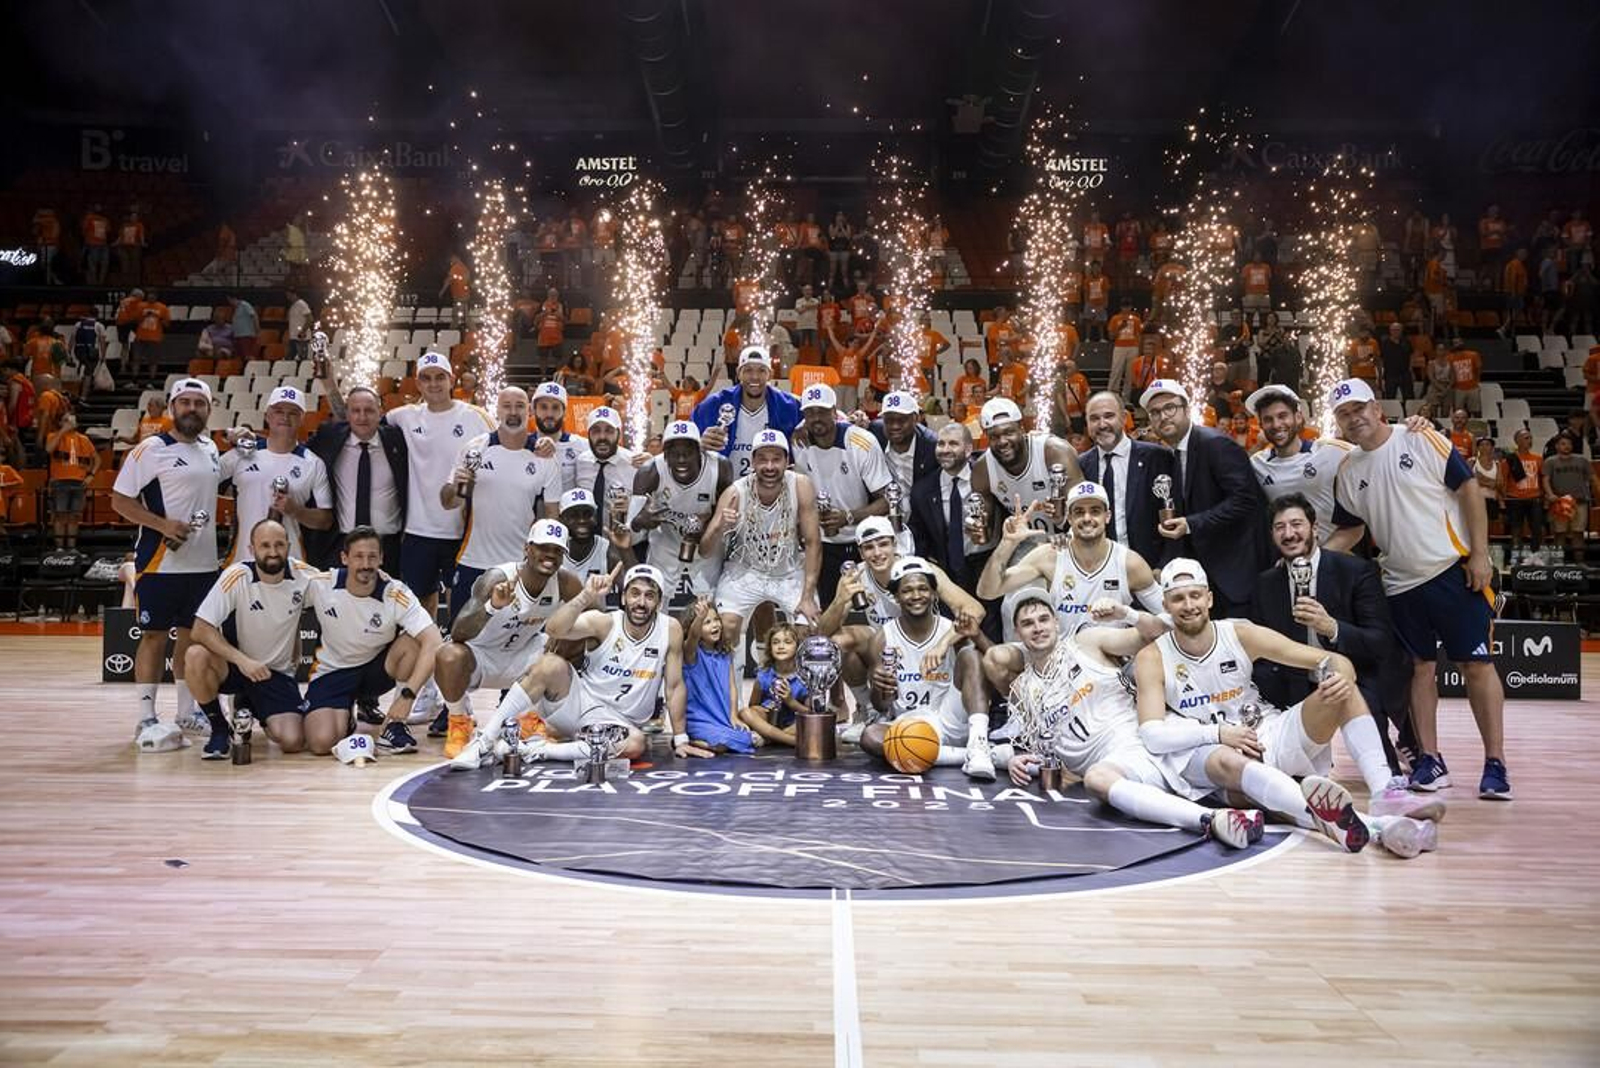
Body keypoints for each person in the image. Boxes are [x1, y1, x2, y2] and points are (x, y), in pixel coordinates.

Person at [1133, 558, 1439, 857]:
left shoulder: (1240, 634)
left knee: (1343, 690)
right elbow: (1152, 735)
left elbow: (1334, 662)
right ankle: (1380, 828)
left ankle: (1384, 792)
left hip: (1266, 733)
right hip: (1214, 753)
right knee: (1238, 775)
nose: (1188, 605)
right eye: (1178, 599)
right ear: (1165, 604)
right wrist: (1219, 733)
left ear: (1209, 598)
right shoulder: (1153, 657)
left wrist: (1338, 677)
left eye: (1195, 595)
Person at [1325, 378, 1510, 800]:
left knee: (1476, 667)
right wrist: (1311, 561)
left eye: (1358, 409)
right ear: (1337, 422)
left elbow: (1469, 489)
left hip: (1453, 571)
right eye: (1344, 414)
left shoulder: (1421, 439)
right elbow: (1351, 530)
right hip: (1399, 583)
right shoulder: (1349, 470)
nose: (1353, 419)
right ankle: (1431, 759)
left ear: (1376, 408)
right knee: (1419, 670)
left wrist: (1481, 555)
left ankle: (1495, 764)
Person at [1001, 589, 1259, 849]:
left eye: (1043, 619)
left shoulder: (1086, 642)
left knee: (1241, 784)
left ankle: (1299, 813)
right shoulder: (1022, 689)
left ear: (1056, 621)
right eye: (1027, 623)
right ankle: (1211, 820)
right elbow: (1039, 749)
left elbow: (1154, 636)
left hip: (1152, 736)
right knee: (1099, 779)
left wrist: (1126, 613)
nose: (1037, 628)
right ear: (1016, 633)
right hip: (1118, 765)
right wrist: (1012, 759)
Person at [473, 564, 712, 768]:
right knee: (549, 665)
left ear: (659, 602)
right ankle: (484, 741)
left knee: (636, 743)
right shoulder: (605, 622)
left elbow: (674, 686)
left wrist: (681, 739)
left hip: (620, 723)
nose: (641, 602)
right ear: (623, 597)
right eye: (635, 593)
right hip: (579, 705)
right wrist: (585, 596)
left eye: (649, 595)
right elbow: (554, 629)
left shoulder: (670, 629)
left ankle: (538, 750)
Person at [1251, 493, 1419, 778]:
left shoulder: (1356, 571)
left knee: (1384, 767)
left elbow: (1379, 641)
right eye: (1280, 527)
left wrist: (1331, 627)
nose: (1289, 534)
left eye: (1297, 524)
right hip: (1297, 681)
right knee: (1292, 773)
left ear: (1315, 529)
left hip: (1358, 673)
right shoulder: (1266, 583)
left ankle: (1392, 765)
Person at [111, 378, 222, 750]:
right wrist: (162, 526)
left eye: (199, 404)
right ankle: (145, 716)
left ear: (208, 409)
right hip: (160, 563)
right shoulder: (150, 449)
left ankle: (187, 712)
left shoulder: (211, 449)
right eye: (185, 402)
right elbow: (120, 501)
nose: (192, 409)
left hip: (204, 564)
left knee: (191, 640)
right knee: (154, 637)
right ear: (173, 407)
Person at [434, 518, 583, 760]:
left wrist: (592, 598)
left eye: (557, 550)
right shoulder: (498, 577)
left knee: (572, 639)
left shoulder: (565, 582)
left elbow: (597, 622)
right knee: (448, 654)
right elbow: (458, 633)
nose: (550, 555)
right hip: (481, 658)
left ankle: (531, 718)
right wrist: (493, 606)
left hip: (523, 657)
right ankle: (459, 721)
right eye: (543, 547)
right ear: (527, 548)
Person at [817, 515, 985, 727]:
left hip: (929, 645)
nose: (877, 553)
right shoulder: (854, 576)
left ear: (895, 544)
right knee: (840, 642)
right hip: (885, 649)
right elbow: (821, 637)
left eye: (883, 544)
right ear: (860, 552)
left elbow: (975, 610)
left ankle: (972, 721)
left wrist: (944, 644)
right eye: (869, 547)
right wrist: (839, 602)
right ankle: (869, 710)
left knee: (967, 646)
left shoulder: (919, 571)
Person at [185, 520, 326, 759]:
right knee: (195, 655)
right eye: (265, 546)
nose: (273, 552)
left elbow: (341, 584)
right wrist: (243, 661)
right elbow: (200, 629)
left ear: (288, 546)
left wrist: (384, 581)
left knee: (292, 741)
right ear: (252, 549)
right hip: (235, 667)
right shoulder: (237, 575)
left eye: (279, 545)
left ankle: (250, 706)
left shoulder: (304, 575)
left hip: (274, 673)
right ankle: (219, 728)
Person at [302, 527, 443, 755]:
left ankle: (395, 724)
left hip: (376, 671)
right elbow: (283, 584)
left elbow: (434, 641)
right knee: (321, 743)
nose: (366, 564)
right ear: (344, 558)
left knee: (415, 643)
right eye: (358, 556)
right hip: (333, 671)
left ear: (381, 559)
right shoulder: (320, 585)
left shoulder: (395, 592)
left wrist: (408, 695)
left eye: (372, 557)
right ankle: (344, 714)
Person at [1140, 379, 1269, 619]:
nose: (1163, 416)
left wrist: (1190, 524)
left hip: (1235, 573)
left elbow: (1245, 499)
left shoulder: (1215, 443)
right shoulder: (1177, 453)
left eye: (1170, 408)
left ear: (1187, 410)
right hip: (1207, 577)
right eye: (1155, 412)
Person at [978, 479, 1162, 646]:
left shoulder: (1129, 563)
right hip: (1059, 656)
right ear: (1069, 517)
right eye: (1079, 512)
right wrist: (1007, 543)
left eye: (1095, 511)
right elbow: (988, 591)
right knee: (998, 658)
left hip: (1110, 657)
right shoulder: (1050, 556)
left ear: (1108, 516)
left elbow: (1167, 613)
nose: (1087, 518)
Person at [861, 557, 995, 781]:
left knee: (971, 654)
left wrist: (975, 636)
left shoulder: (950, 629)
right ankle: (973, 756)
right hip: (909, 726)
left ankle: (978, 742)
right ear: (896, 597)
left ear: (934, 594)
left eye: (923, 588)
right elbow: (881, 704)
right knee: (870, 737)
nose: (916, 596)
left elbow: (991, 664)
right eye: (907, 590)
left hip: (949, 718)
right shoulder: (882, 638)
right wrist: (879, 686)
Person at [384, 351, 496, 617]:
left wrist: (539, 445)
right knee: (421, 609)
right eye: (426, 378)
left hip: (463, 530)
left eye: (440, 377)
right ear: (418, 383)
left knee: (461, 606)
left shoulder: (475, 417)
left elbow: (505, 443)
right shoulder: (403, 416)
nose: (433, 383)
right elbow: (361, 424)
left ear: (451, 379)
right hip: (417, 529)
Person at [442, 386, 561, 629]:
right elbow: (448, 503)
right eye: (507, 406)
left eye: (519, 406)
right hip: (473, 559)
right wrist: (455, 486)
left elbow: (552, 517)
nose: (513, 412)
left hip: (519, 565)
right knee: (459, 635)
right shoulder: (476, 448)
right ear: (497, 409)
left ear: (529, 411)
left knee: (510, 640)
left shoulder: (544, 456)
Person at [701, 429, 824, 643]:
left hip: (788, 570)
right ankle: (742, 675)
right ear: (752, 462)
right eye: (762, 460)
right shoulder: (735, 492)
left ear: (787, 461)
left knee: (809, 626)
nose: (769, 467)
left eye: (776, 459)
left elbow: (813, 543)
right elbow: (704, 550)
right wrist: (719, 526)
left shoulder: (801, 485)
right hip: (745, 571)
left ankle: (792, 675)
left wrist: (807, 597)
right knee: (724, 628)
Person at [791, 383, 894, 605]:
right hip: (822, 542)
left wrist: (848, 516)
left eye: (821, 411)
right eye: (809, 412)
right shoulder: (798, 443)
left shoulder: (861, 441)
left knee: (873, 609)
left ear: (834, 412)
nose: (815, 418)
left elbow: (886, 501)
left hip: (863, 541)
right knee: (831, 608)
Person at [219, 386, 333, 565]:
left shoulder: (313, 463)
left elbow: (325, 520)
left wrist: (296, 510)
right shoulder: (242, 453)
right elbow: (205, 480)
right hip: (243, 561)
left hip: (291, 564)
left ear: (302, 418)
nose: (285, 417)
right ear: (267, 415)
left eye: (293, 413)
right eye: (278, 411)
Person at [306, 379, 409, 572]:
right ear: (347, 414)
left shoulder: (398, 440)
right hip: (340, 544)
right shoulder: (329, 437)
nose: (362, 417)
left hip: (387, 547)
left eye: (369, 410)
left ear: (380, 413)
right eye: (356, 410)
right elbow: (292, 452)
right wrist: (253, 441)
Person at [628, 419, 731, 602]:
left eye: (688, 453)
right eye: (675, 454)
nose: (681, 460)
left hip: (706, 545)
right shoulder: (649, 472)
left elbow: (728, 518)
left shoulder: (720, 468)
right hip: (665, 544)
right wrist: (641, 521)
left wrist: (707, 525)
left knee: (710, 607)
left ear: (699, 451)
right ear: (665, 454)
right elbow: (632, 532)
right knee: (655, 604)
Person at [1245, 386, 1357, 547]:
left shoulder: (1333, 451)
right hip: (1290, 558)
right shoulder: (1257, 464)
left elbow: (1374, 455)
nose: (1276, 424)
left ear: (1298, 417)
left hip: (1337, 554)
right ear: (1261, 426)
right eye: (1268, 419)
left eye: (1282, 416)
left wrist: (1405, 432)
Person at [1077, 391, 1177, 569]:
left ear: (1124, 418)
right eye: (1094, 418)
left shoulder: (1157, 457)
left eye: (1109, 416)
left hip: (1151, 569)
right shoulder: (1081, 465)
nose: (1102, 424)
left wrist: (1164, 566)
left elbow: (1175, 514)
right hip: (1099, 571)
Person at [967, 397, 1084, 540]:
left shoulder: (1054, 451)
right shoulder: (982, 470)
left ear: (1022, 428)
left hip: (1067, 539)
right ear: (986, 437)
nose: (1003, 442)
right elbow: (986, 535)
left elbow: (1083, 509)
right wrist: (976, 529)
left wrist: (1062, 519)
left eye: (1009, 432)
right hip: (1025, 548)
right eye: (994, 436)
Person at [907, 422, 993, 594]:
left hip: (988, 565)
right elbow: (919, 536)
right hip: (948, 571)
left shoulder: (988, 474)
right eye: (941, 444)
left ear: (968, 449)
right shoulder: (922, 490)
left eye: (953, 443)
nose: (945, 449)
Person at [693, 346, 803, 479]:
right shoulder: (714, 405)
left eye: (762, 371)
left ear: (771, 374)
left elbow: (825, 420)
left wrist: (804, 427)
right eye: (748, 370)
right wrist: (699, 444)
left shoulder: (789, 406)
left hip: (771, 490)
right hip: (725, 489)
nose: (755, 377)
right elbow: (687, 443)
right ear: (738, 373)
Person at [681, 598, 759, 753]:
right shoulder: (691, 653)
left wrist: (733, 716)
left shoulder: (725, 654)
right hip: (699, 719)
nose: (715, 625)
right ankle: (694, 741)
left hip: (722, 717)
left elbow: (732, 687)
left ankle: (713, 739)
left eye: (716, 619)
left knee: (749, 738)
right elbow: (693, 637)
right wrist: (699, 618)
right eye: (707, 622)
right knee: (723, 744)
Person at [735, 619, 808, 748]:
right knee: (746, 712)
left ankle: (770, 738)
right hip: (769, 723)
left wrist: (791, 702)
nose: (781, 646)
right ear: (769, 647)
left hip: (793, 725)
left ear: (798, 647)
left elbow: (811, 713)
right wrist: (766, 709)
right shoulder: (763, 675)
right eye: (775, 642)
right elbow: (754, 705)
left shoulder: (805, 677)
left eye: (787, 642)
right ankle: (789, 741)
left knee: (808, 721)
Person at [869, 390, 939, 524]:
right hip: (884, 518)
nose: (895, 426)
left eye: (901, 420)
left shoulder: (931, 446)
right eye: (889, 420)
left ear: (915, 419)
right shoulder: (874, 432)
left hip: (923, 518)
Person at [1542, 431, 1598, 562]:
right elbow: (1545, 479)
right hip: (1559, 502)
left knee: (1578, 534)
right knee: (1559, 534)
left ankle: (1580, 564)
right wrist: (1550, 494)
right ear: (1557, 446)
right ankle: (1557, 563)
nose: (1566, 446)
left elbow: (1593, 479)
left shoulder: (1582, 460)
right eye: (1563, 444)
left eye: (1569, 444)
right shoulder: (1550, 461)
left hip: (1579, 502)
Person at [46, 412, 98, 549]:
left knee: (74, 517)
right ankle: (59, 549)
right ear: (60, 423)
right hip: (59, 481)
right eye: (65, 421)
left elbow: (97, 459)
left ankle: (71, 549)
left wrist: (91, 475)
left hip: (79, 482)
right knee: (60, 516)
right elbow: (48, 449)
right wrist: (62, 431)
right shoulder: (53, 436)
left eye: (71, 421)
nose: (69, 423)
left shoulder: (84, 439)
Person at [527, 380, 591, 492]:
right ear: (534, 410)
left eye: (555, 408)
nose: (549, 414)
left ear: (565, 413)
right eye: (543, 407)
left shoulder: (581, 446)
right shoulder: (522, 446)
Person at [1500, 427, 1546, 559]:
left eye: (1530, 438)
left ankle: (1536, 557)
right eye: (1526, 438)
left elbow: (1542, 479)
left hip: (1535, 498)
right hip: (1515, 499)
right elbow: (1503, 480)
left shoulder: (1538, 459)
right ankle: (1517, 559)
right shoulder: (1509, 459)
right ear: (1517, 441)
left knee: (1537, 530)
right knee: (1516, 530)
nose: (1529, 440)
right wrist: (1503, 501)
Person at [1379, 322, 1412, 401]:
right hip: (1390, 374)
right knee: (1390, 396)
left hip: (1405, 373)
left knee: (1409, 396)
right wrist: (1381, 375)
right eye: (1393, 330)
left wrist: (1411, 371)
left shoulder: (1406, 342)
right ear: (1390, 331)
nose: (1396, 332)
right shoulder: (1385, 343)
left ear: (1401, 331)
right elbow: (1381, 359)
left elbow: (1410, 356)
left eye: (1398, 330)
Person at [227, 295, 260, 365]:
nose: (229, 302)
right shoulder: (235, 309)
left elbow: (254, 315)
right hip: (238, 336)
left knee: (248, 355)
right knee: (241, 356)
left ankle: (252, 369)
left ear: (233, 299)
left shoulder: (245, 305)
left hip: (246, 335)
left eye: (229, 300)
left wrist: (257, 328)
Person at [284, 288, 313, 362]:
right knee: (290, 358)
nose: (288, 297)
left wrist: (303, 331)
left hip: (300, 337)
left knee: (302, 358)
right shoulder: (293, 306)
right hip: (293, 336)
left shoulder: (302, 304)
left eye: (289, 295)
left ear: (294, 294)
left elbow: (309, 318)